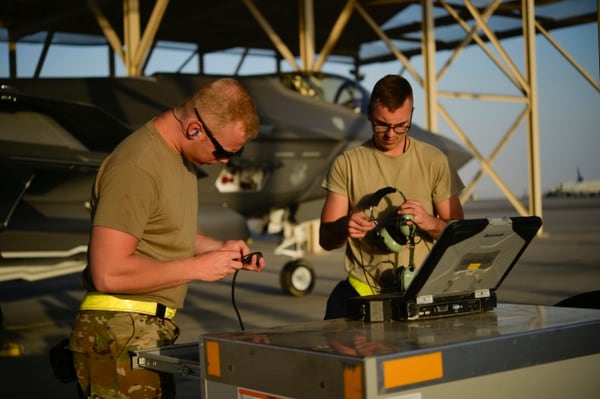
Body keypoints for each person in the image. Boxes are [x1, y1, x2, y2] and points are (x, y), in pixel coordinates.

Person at [68, 77, 266, 398]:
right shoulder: (138, 165)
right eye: (223, 151)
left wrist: (219, 250)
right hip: (118, 332)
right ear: (194, 130)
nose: (225, 160)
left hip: (140, 331)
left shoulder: (179, 159)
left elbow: (167, 231)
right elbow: (108, 271)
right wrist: (198, 268)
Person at [319, 74, 464, 319]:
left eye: (401, 125)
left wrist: (429, 222)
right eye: (381, 124)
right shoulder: (347, 164)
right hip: (364, 294)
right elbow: (326, 239)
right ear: (368, 113)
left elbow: (459, 236)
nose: (390, 133)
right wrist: (345, 226)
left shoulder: (434, 161)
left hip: (422, 294)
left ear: (412, 114)